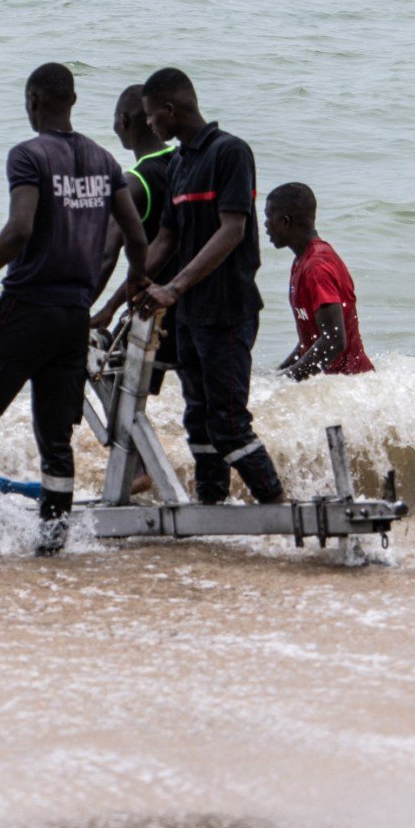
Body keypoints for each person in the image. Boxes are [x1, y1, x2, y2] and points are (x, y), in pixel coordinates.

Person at [0, 63, 149, 556]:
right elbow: (136, 237)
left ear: (34, 100)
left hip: (28, 305)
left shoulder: (28, 155)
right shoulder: (106, 161)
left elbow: (20, 227)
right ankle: (53, 542)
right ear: (74, 100)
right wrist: (135, 281)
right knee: (55, 434)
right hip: (73, 315)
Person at [135, 67, 286, 504]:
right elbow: (167, 239)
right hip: (189, 317)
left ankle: (275, 504)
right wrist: (124, 293)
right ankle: (211, 506)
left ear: (169, 108)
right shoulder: (180, 162)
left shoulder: (230, 152)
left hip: (227, 311)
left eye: (150, 116)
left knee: (228, 422)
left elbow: (232, 230)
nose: (149, 125)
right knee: (198, 420)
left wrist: (174, 288)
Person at [93, 84, 179, 390]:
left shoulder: (134, 182)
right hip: (195, 305)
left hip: (154, 311)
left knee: (116, 385)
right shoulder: (185, 161)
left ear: (124, 121)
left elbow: (105, 255)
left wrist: (90, 309)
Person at [264, 183, 373, 380]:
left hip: (352, 385)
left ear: (285, 221)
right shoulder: (302, 261)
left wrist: (287, 380)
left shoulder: (317, 266)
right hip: (336, 386)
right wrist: (275, 376)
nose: (265, 224)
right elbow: (309, 342)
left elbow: (334, 340)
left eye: (268, 217)